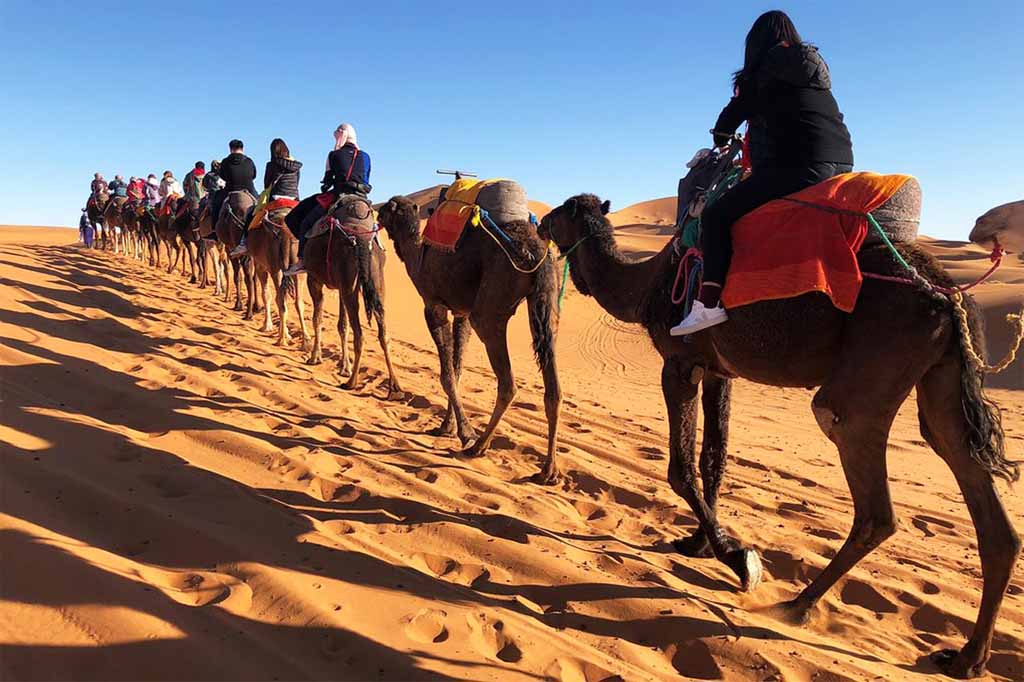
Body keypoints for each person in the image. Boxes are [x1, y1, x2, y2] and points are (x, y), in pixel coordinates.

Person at [670, 10, 854, 336]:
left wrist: (721, 137)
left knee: (715, 216)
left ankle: (708, 304)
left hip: (797, 167)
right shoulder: (812, 70)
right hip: (841, 165)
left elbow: (730, 119)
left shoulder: (766, 70)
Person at [284, 123, 370, 274]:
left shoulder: (334, 155)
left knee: (304, 222)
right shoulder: (366, 156)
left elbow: (327, 182)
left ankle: (303, 259)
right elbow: (366, 179)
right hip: (361, 198)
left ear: (341, 136)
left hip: (339, 196)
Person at [231, 138, 303, 257]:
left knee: (250, 212)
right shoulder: (297, 167)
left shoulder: (272, 165)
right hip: (293, 201)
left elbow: (266, 184)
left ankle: (244, 243)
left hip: (276, 200)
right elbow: (297, 183)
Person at [209, 139, 257, 234]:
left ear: (230, 149)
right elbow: (254, 175)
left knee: (216, 204)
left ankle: (214, 231)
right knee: (259, 205)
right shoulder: (249, 161)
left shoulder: (226, 161)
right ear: (242, 149)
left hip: (231, 190)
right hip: (249, 190)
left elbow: (222, 176)